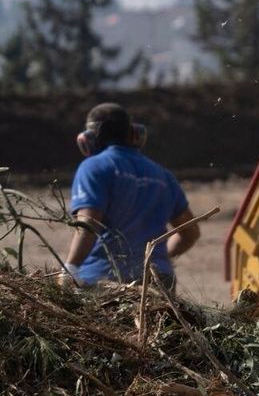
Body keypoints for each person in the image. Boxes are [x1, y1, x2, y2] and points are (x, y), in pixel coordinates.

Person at [61, 103, 200, 289]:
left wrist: (70, 268)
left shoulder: (93, 167)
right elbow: (190, 233)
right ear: (134, 134)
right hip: (159, 283)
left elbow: (88, 223)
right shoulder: (164, 176)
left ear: (89, 138)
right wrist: (157, 260)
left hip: (105, 283)